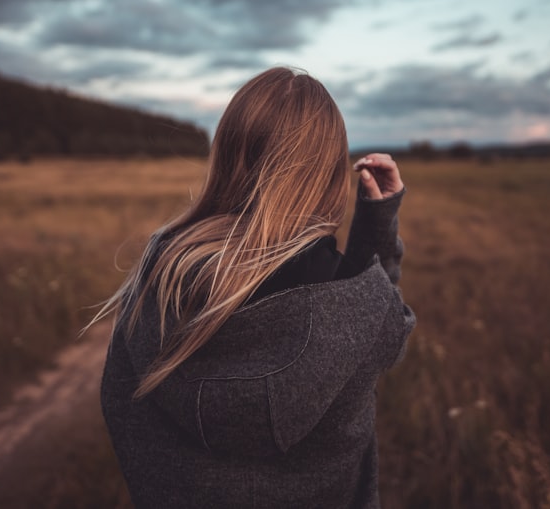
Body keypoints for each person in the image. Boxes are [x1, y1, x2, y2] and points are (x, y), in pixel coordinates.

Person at [98, 67, 415, 508]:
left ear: (228, 155)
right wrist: (376, 227)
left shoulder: (161, 274)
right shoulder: (356, 307)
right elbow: (380, 330)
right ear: (324, 174)